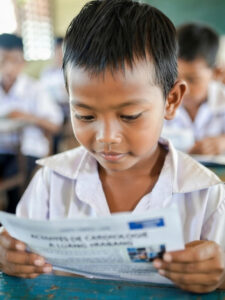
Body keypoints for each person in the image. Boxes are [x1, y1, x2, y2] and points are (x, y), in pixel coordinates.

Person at [0, 0, 224, 294]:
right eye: (85, 116)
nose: (106, 137)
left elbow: (217, 267)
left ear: (171, 100)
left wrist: (219, 276)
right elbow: (17, 250)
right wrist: (9, 256)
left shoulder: (206, 195)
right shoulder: (51, 182)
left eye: (129, 116)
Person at [0, 33, 63, 213]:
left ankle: (13, 223)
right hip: (2, 149)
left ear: (23, 62)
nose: (8, 67)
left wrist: (26, 116)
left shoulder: (35, 88)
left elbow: (55, 125)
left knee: (14, 183)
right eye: (2, 60)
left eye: (13, 61)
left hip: (29, 149)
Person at [163, 23, 225, 154]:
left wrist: (223, 142)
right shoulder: (159, 103)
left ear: (216, 73)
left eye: (192, 80)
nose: (181, 87)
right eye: (174, 76)